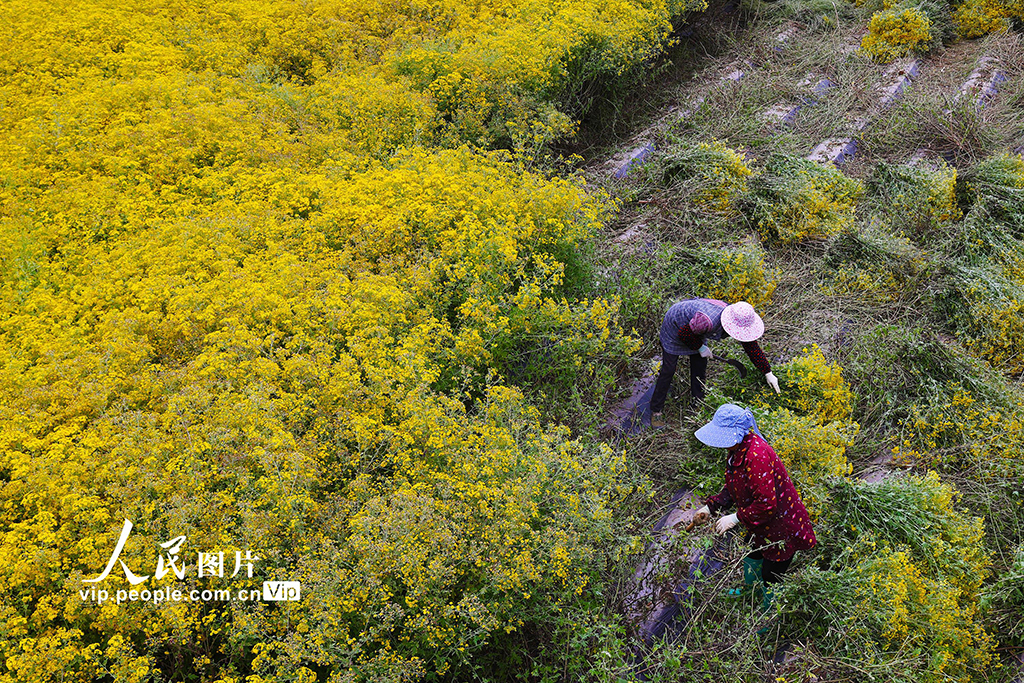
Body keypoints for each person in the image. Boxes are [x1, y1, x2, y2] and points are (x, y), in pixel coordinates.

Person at [691, 403, 816, 611]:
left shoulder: (756, 455)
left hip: (780, 525)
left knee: (771, 574)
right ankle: (750, 593)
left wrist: (735, 518)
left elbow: (767, 505)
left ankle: (768, 614)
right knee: (751, 554)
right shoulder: (737, 450)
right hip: (759, 523)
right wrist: (710, 508)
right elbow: (734, 485)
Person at [650, 299, 779, 426]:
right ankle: (656, 410)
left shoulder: (735, 317)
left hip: (694, 329)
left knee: (700, 366)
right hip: (674, 325)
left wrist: (767, 372)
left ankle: (698, 403)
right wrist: (700, 347)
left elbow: (751, 346)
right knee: (668, 370)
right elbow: (684, 333)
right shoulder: (707, 321)